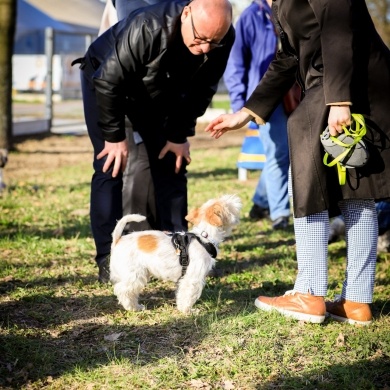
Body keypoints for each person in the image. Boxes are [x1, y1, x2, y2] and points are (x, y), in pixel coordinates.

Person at [206, 0, 390, 325]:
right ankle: (356, 302)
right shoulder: (280, 4)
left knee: (308, 180)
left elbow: (338, 31)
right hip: (337, 87)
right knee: (355, 193)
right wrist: (246, 113)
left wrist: (339, 101)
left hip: (344, 87)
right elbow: (288, 58)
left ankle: (309, 293)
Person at [73, 0, 234, 283]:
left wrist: (178, 136)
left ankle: (180, 252)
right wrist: (113, 137)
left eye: (214, 42)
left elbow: (202, 90)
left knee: (172, 161)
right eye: (200, 39)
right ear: (186, 14)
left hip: (154, 89)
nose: (206, 48)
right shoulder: (146, 27)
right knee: (110, 166)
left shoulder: (222, 36)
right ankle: (108, 260)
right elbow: (108, 82)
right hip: (105, 80)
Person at [223, 0, 290, 230]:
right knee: (279, 151)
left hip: (295, 93)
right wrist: (240, 105)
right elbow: (236, 63)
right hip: (264, 97)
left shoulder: (292, 8)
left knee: (283, 151)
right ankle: (280, 213)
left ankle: (261, 201)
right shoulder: (252, 16)